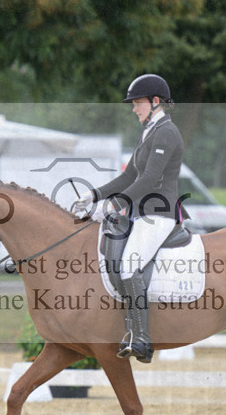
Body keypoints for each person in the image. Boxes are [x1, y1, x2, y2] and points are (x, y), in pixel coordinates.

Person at [72, 74, 185, 363]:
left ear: (155, 101)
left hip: (159, 213)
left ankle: (142, 340)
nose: (134, 108)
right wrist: (94, 195)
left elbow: (149, 179)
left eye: (137, 103)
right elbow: (128, 176)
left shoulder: (167, 132)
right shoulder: (149, 131)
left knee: (128, 266)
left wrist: (114, 205)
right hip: (142, 214)